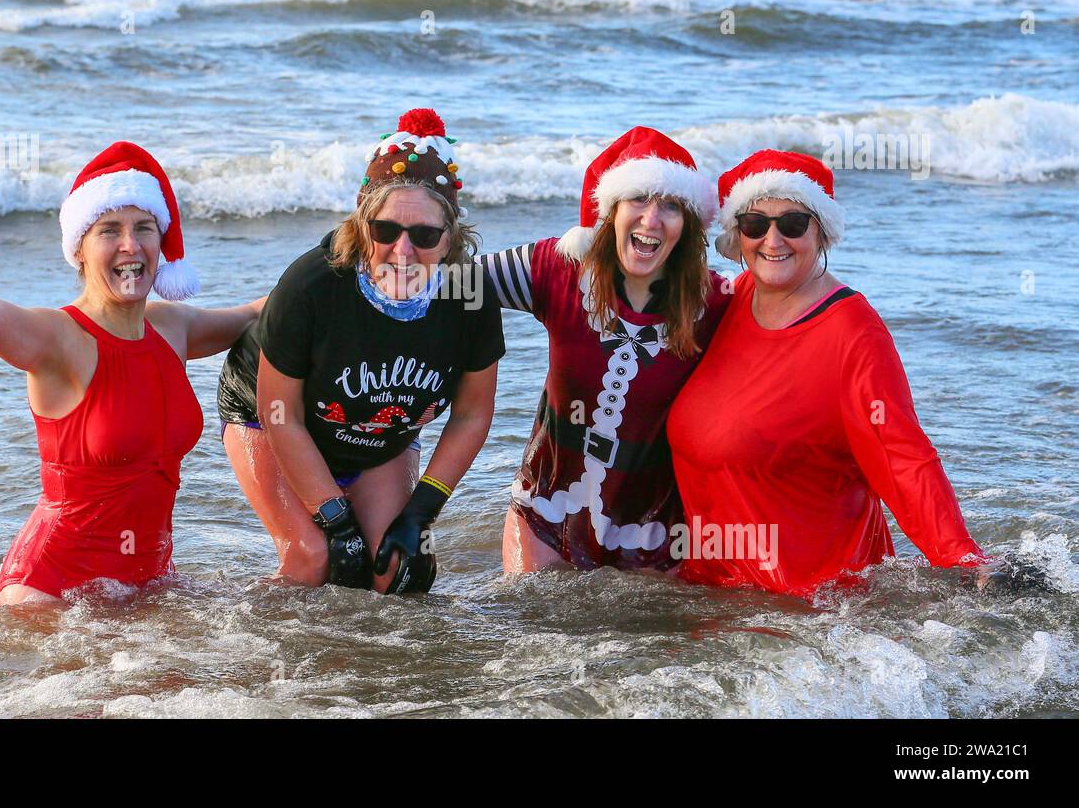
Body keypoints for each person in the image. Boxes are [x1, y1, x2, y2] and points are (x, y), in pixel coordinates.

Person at [0, 142, 262, 605]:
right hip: (51, 592)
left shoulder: (173, 327)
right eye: (109, 230)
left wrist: (350, 258)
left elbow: (256, 315)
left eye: (143, 227)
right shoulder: (59, 337)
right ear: (81, 250)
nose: (130, 244)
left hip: (146, 585)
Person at [667, 149, 985, 597]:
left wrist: (961, 558)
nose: (773, 241)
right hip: (715, 594)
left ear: (822, 233)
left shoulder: (852, 332)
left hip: (810, 609)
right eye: (756, 225)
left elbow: (901, 454)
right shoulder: (727, 301)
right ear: (737, 237)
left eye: (793, 224)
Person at [217, 109, 504, 594]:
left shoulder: (469, 295)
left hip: (381, 434)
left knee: (396, 570)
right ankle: (253, 658)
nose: (404, 251)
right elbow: (280, 412)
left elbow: (471, 416)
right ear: (361, 224)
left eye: (426, 236)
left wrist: (422, 511)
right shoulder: (311, 284)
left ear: (451, 236)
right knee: (313, 558)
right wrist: (334, 519)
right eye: (386, 231)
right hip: (273, 419)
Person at [477, 127, 729, 572]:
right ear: (609, 211)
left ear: (688, 226)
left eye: (670, 205)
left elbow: (792, 335)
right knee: (528, 634)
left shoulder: (717, 303)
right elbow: (445, 283)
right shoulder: (558, 271)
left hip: (655, 537)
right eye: (637, 199)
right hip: (545, 516)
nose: (651, 220)